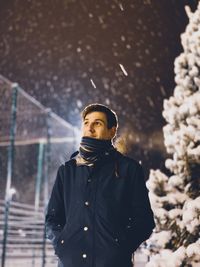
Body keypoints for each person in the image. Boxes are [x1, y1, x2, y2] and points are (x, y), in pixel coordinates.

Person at [45, 103, 155, 267]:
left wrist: (120, 248)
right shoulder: (67, 171)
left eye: (98, 123)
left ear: (112, 131)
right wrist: (62, 244)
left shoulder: (129, 169)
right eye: (86, 123)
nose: (90, 128)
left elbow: (144, 221)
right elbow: (52, 218)